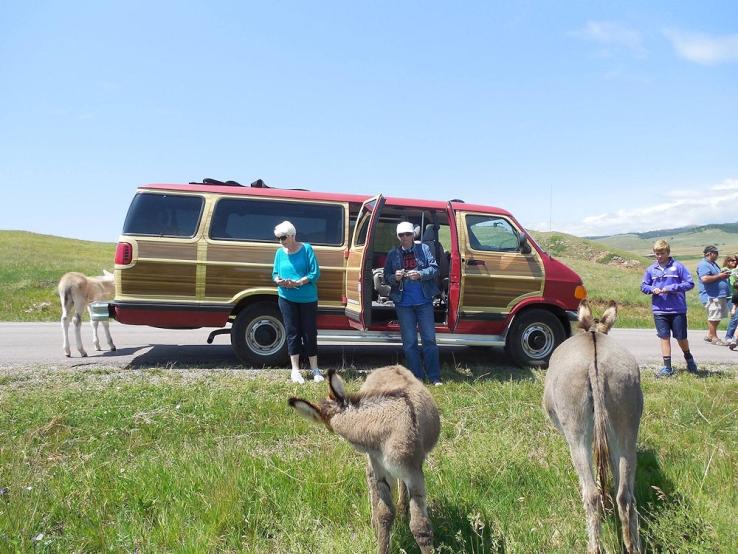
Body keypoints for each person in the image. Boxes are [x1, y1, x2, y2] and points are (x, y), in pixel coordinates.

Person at [383, 221, 442, 385]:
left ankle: (434, 376)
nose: (405, 237)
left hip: (424, 301)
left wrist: (420, 274)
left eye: (408, 234)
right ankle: (416, 378)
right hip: (403, 304)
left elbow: (435, 269)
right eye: (401, 235)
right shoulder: (392, 254)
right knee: (409, 343)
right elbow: (386, 276)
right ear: (398, 236)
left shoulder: (424, 249)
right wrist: (394, 277)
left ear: (412, 235)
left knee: (429, 340)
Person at [271, 221, 323, 384]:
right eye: (278, 238)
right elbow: (274, 273)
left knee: (309, 332)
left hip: (307, 298)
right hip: (286, 298)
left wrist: (298, 282)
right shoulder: (279, 253)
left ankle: (315, 369)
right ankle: (295, 370)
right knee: (292, 332)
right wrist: (279, 280)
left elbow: (315, 273)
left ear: (293, 235)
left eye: (284, 237)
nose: (281, 241)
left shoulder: (307, 249)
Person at [640, 239, 698, 376]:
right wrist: (652, 289)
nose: (659, 256)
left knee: (680, 337)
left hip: (677, 309)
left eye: (662, 253)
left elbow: (690, 283)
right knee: (664, 337)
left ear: (668, 252)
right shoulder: (651, 269)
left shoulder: (678, 267)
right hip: (659, 310)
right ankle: (667, 368)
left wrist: (671, 288)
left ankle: (689, 358)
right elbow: (643, 286)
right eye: (657, 253)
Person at [696, 245, 731, 345]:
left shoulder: (713, 264)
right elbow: (705, 279)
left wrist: (723, 273)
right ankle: (714, 338)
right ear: (709, 253)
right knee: (713, 316)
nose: (717, 255)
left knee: (717, 316)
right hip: (711, 296)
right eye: (715, 253)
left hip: (719, 294)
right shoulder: (703, 264)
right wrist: (720, 276)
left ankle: (710, 335)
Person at [720, 254, 738, 345]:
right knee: (735, 316)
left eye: (735, 260)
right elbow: (724, 273)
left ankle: (734, 337)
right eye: (732, 260)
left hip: (736, 294)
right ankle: (729, 336)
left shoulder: (736, 271)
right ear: (727, 261)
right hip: (730, 297)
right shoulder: (725, 270)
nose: (734, 262)